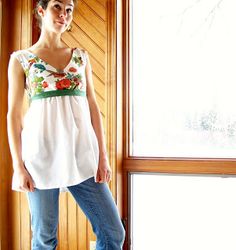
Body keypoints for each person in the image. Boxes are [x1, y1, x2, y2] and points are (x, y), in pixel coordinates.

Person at [7, 0, 125, 249]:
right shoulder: (22, 60)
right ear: (41, 11)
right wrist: (18, 167)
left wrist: (102, 157)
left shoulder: (81, 57)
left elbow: (93, 107)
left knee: (114, 233)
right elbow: (14, 116)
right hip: (40, 159)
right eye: (57, 7)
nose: (64, 14)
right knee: (44, 240)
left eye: (69, 9)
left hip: (82, 155)